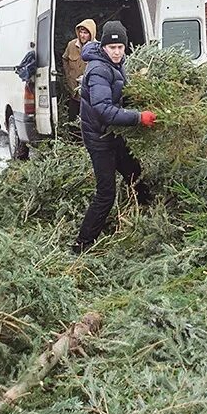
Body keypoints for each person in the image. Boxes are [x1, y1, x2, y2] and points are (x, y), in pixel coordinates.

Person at [74, 21, 157, 253]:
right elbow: (104, 109)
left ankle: (149, 213)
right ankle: (82, 244)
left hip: (112, 135)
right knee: (106, 193)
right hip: (99, 138)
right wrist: (139, 117)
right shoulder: (99, 69)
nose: (117, 52)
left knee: (134, 172)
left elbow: (119, 96)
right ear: (104, 48)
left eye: (121, 47)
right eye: (113, 47)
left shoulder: (115, 65)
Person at [63, 19, 97, 116]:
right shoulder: (71, 45)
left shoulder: (97, 48)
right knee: (73, 119)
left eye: (85, 33)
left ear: (91, 33)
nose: (82, 35)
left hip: (90, 94)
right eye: (81, 32)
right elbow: (65, 59)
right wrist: (69, 76)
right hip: (74, 92)